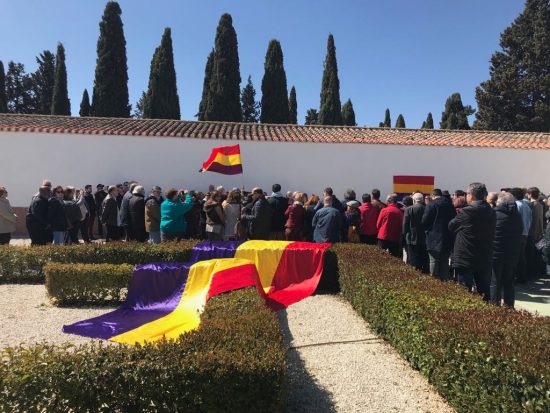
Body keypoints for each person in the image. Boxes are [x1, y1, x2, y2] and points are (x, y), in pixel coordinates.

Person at [448, 182, 496, 301]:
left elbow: (451, 226)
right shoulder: (491, 211)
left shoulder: (467, 211)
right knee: (484, 292)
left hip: (466, 256)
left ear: (471, 195)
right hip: (485, 255)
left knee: (464, 293)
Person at [491, 192, 523, 307]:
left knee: (495, 282)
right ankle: (509, 307)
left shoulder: (495, 214)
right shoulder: (517, 216)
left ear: (500, 202)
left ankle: (495, 307)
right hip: (512, 254)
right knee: (509, 282)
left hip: (496, 254)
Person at [422, 189, 456, 280]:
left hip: (433, 238)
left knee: (433, 261)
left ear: (433, 195)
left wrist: (427, 230)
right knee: (444, 261)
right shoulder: (450, 205)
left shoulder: (431, 205)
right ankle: (444, 281)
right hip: (447, 237)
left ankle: (434, 282)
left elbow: (424, 221)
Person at [510, 187, 532, 283]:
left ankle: (517, 277)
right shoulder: (527, 205)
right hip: (525, 233)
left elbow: (515, 221)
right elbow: (530, 220)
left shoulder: (516, 205)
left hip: (518, 234)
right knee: (522, 256)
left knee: (515, 257)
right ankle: (522, 276)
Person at [403, 192, 429, 273]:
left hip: (411, 238)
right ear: (422, 200)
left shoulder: (408, 209)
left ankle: (415, 274)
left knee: (413, 259)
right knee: (424, 259)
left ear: (413, 200)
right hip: (424, 238)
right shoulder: (426, 208)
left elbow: (405, 224)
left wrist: (404, 235)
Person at [526, 187, 544, 280]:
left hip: (531, 234)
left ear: (529, 194)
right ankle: (536, 272)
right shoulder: (540, 205)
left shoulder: (531, 205)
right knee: (537, 254)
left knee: (530, 255)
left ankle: (531, 274)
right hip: (540, 234)